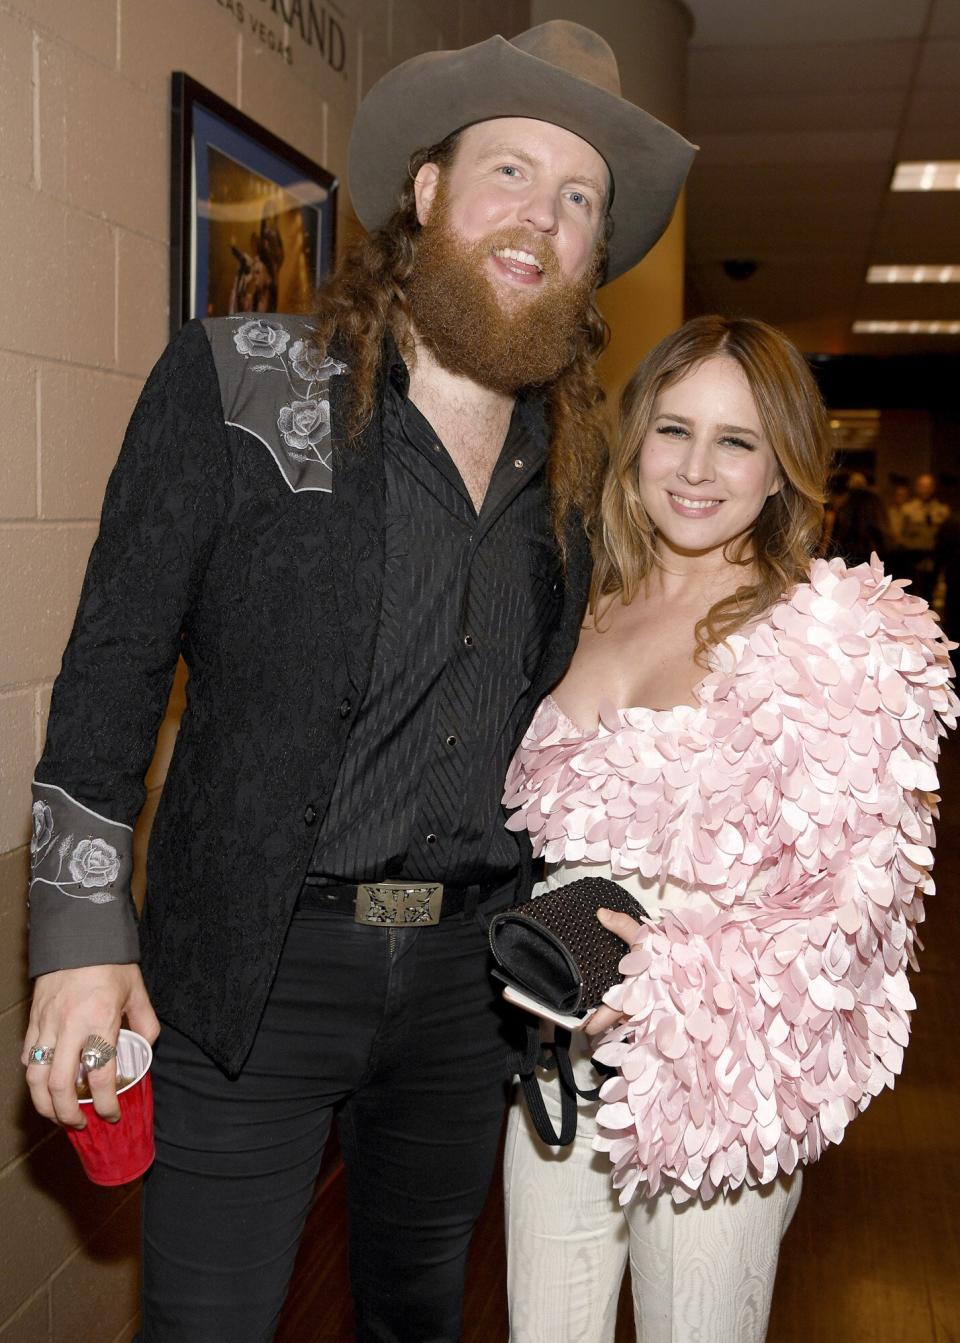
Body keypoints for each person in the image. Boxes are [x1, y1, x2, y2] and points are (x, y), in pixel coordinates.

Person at [20, 21, 694, 1343]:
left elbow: (625, 702)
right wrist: (80, 938)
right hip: (247, 970)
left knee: (415, 1312)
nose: (540, 218)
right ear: (429, 191)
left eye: (578, 200)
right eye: (509, 172)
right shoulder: (243, 384)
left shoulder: (585, 459)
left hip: (466, 986)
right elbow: (108, 676)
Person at [502, 316, 956, 1342]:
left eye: (737, 440)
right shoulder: (576, 601)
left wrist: (670, 981)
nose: (697, 469)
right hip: (555, 1049)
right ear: (635, 442)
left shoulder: (839, 634)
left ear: (784, 464)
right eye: (674, 429)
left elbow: (858, 917)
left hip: (721, 1080)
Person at [898, 472, 950, 600]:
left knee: (931, 595)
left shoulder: (943, 510)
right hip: (912, 560)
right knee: (911, 595)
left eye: (929, 486)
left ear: (933, 488)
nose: (925, 489)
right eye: (922, 486)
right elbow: (899, 535)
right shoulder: (907, 509)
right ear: (916, 488)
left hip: (935, 559)